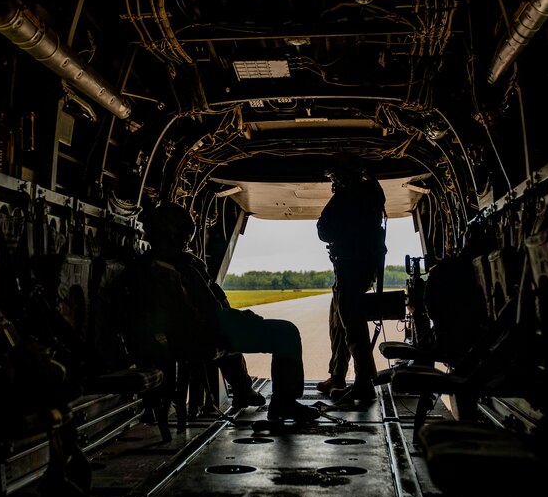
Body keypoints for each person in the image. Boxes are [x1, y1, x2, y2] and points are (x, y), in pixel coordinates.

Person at [128, 202, 319, 423]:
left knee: (241, 335)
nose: (185, 243)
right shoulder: (170, 269)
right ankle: (283, 403)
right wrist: (235, 321)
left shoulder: (158, 265)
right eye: (182, 237)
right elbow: (200, 311)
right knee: (286, 333)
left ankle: (243, 390)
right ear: (169, 234)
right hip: (204, 331)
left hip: (202, 328)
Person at [316, 152, 387, 405]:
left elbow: (324, 230)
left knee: (352, 324)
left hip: (351, 268)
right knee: (340, 321)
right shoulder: (371, 192)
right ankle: (337, 376)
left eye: (336, 177)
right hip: (359, 267)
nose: (334, 181)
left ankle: (364, 382)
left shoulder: (349, 196)